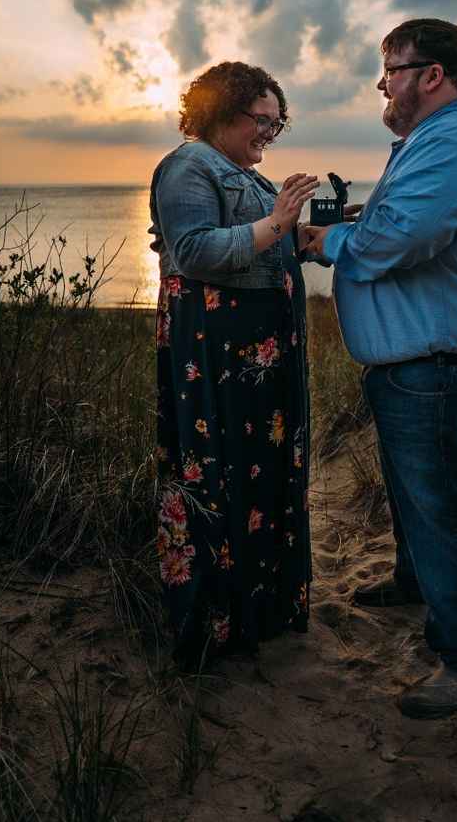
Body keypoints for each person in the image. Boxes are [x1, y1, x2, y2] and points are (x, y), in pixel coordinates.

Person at [305, 19, 457, 719]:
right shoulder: (437, 141)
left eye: (389, 72)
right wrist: (359, 222)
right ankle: (415, 582)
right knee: (416, 494)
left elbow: (398, 238)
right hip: (421, 364)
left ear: (431, 74)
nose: (384, 86)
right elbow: (402, 222)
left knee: (443, 505)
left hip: (442, 365)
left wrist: (331, 238)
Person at [148, 61, 319, 669]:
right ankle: (216, 622)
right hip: (217, 353)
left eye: (277, 125)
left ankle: (262, 608)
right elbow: (192, 250)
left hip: (257, 355)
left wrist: (302, 237)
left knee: (261, 474)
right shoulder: (189, 164)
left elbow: (262, 246)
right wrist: (277, 222)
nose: (269, 135)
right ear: (223, 110)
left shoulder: (244, 174)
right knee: (220, 474)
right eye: (261, 121)